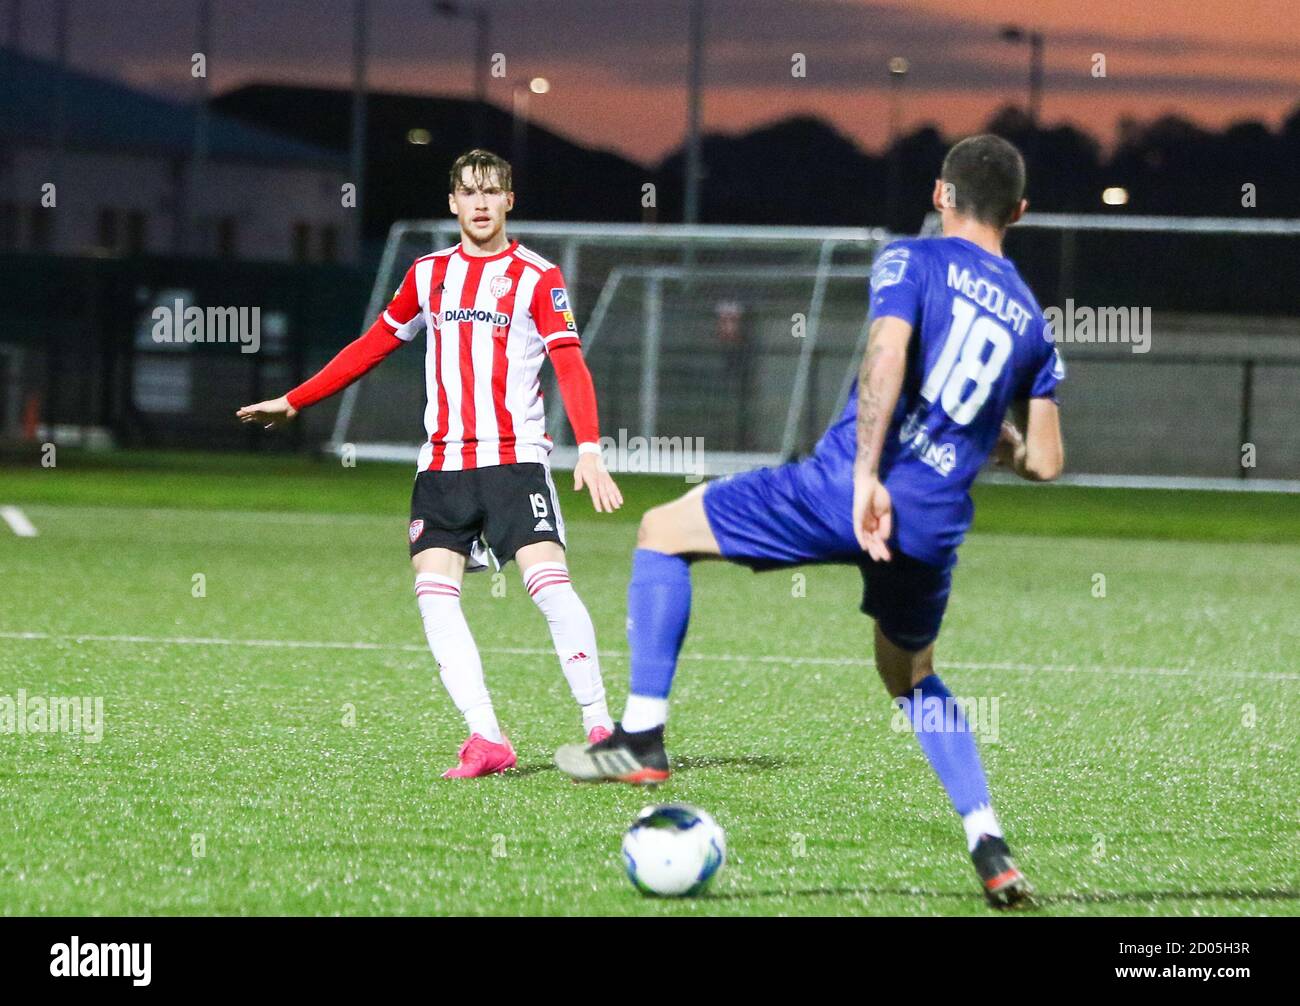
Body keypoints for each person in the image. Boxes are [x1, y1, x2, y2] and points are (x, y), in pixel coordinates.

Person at [555, 135, 1064, 907]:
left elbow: (887, 351)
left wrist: (864, 475)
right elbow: (1047, 463)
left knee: (662, 530)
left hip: (844, 492)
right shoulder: (1031, 318)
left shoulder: (913, 260)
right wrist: (1008, 441)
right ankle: (985, 836)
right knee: (911, 676)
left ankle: (643, 738)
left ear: (940, 196)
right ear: (1019, 213)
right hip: (931, 527)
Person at [238, 149, 623, 779]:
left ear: (507, 200)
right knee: (435, 596)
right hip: (440, 466)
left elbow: (570, 363)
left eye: (490, 191)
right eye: (467, 191)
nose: (478, 201)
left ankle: (600, 725)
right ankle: (487, 738)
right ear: (452, 202)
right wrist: (294, 399)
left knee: (548, 585)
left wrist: (590, 446)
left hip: (513, 461)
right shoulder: (427, 274)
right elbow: (373, 344)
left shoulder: (537, 276)